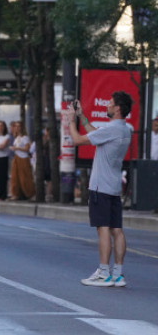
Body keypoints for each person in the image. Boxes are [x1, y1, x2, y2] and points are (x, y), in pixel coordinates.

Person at [66, 91, 133, 287]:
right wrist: (82, 117)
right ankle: (118, 274)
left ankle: (103, 273)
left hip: (100, 186)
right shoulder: (124, 129)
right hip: (113, 186)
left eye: (110, 103)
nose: (107, 105)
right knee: (117, 230)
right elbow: (96, 133)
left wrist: (70, 121)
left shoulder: (111, 129)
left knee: (102, 229)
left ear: (117, 108)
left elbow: (78, 140)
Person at [10, 121, 35, 200]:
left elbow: (27, 149)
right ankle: (16, 194)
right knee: (15, 177)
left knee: (25, 177)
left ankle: (30, 194)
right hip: (16, 157)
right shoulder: (17, 138)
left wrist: (16, 148)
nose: (17, 128)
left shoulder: (25, 138)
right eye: (15, 126)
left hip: (23, 158)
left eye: (19, 126)